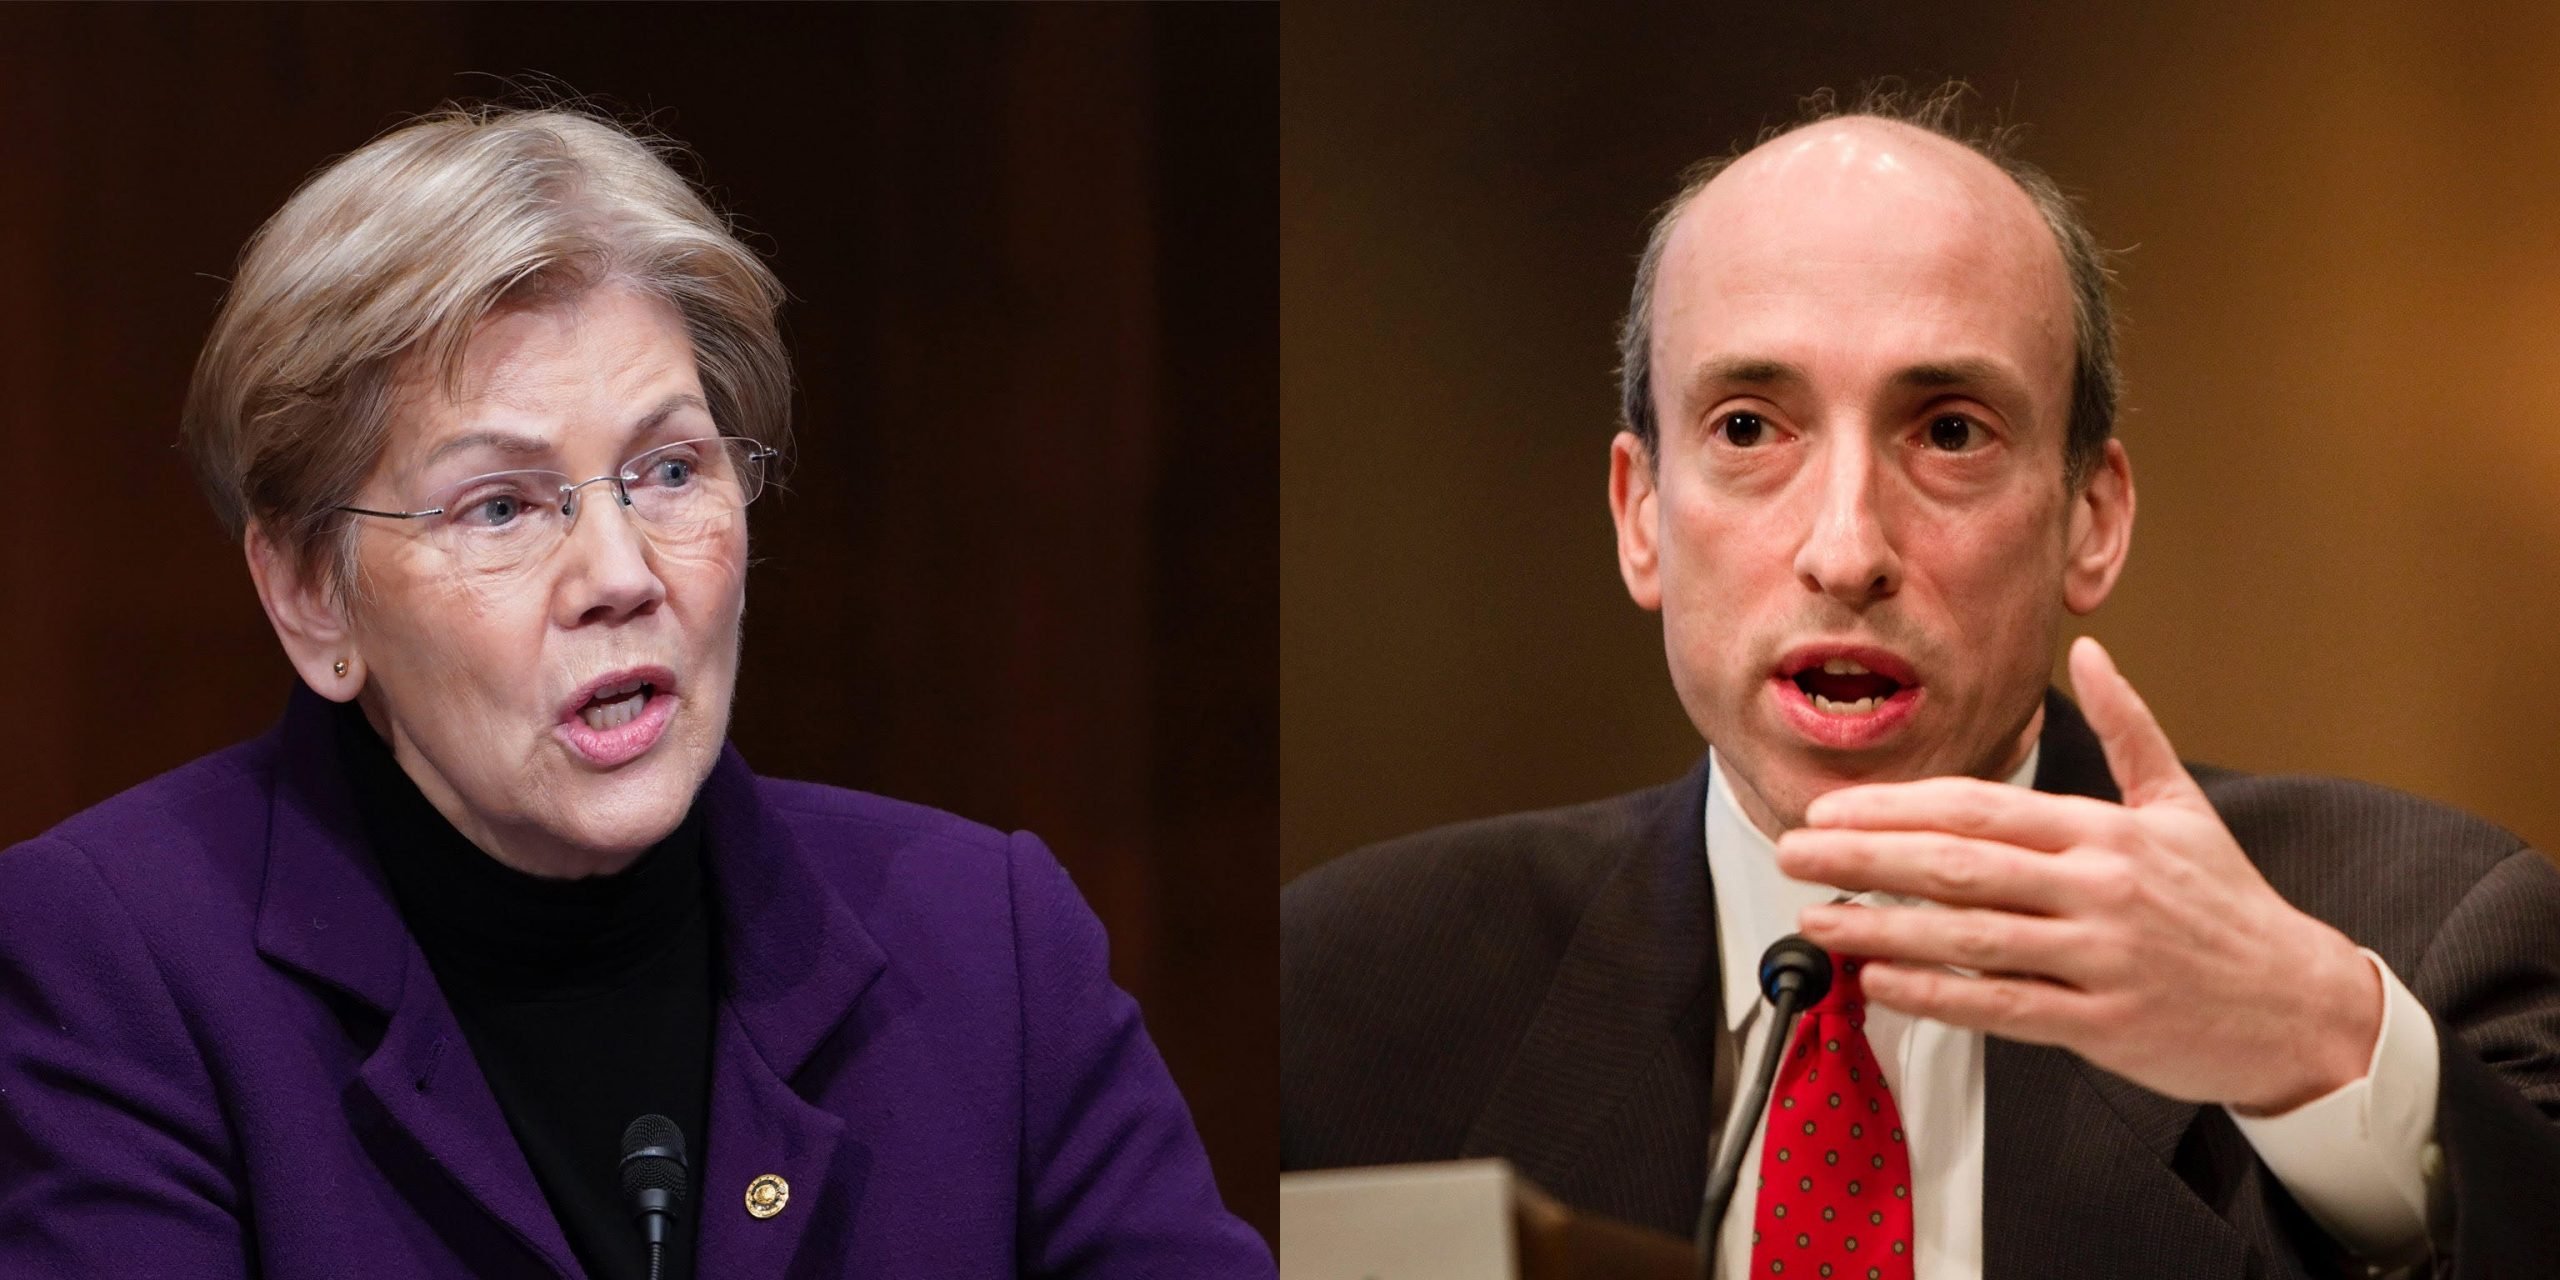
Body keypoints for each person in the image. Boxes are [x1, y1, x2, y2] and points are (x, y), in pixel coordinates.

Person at [1282, 86, 2560, 1278]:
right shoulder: (1353, 990)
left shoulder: (2428, 928)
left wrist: (2313, 1045)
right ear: (1639, 518)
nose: (1846, 550)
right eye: (1747, 428)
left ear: (2088, 519)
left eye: (1949, 430)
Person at [0, 104, 1271, 1279]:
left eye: (669, 470)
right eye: (500, 503)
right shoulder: (122, 962)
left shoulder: (988, 942)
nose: (620, 573)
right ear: (310, 597)